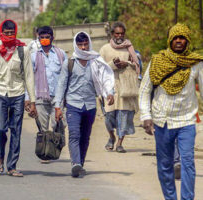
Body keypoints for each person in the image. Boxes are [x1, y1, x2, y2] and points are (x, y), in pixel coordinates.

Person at [139, 23, 203, 200]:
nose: (179, 41)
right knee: (165, 165)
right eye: (175, 37)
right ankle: (170, 198)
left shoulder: (196, 63)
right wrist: (146, 116)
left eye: (182, 37)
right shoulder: (157, 61)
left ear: (187, 40)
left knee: (188, 163)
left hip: (187, 121)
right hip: (162, 121)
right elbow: (145, 90)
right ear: (170, 40)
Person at [55, 32, 114, 178]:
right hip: (73, 105)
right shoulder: (69, 63)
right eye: (80, 44)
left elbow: (105, 78)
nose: (83, 47)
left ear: (89, 44)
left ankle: (80, 163)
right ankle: (75, 163)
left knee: (85, 136)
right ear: (76, 45)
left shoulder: (96, 61)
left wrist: (110, 93)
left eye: (85, 44)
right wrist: (58, 107)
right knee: (74, 134)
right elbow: (61, 85)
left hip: (90, 106)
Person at [0, 19, 37, 177]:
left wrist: (31, 100)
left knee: (16, 130)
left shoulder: (22, 50)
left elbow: (29, 76)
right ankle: (0, 156)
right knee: (0, 129)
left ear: (15, 32)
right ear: (1, 33)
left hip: (18, 94)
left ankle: (11, 166)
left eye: (11, 33)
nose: (9, 36)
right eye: (6, 33)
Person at [25, 26, 67, 164]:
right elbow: (29, 79)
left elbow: (66, 76)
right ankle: (45, 153)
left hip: (58, 97)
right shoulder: (33, 56)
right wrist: (28, 99)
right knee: (43, 127)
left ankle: (56, 147)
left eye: (47, 37)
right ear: (38, 39)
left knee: (58, 125)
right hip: (40, 97)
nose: (44, 39)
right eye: (41, 37)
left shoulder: (61, 54)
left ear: (52, 38)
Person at [99, 22, 139, 153]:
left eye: (122, 33)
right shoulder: (105, 49)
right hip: (110, 87)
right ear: (112, 34)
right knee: (109, 116)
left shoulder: (130, 48)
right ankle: (111, 137)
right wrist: (113, 64)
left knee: (124, 115)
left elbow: (138, 65)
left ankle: (120, 144)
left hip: (125, 87)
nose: (119, 36)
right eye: (117, 33)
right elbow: (99, 68)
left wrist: (126, 63)